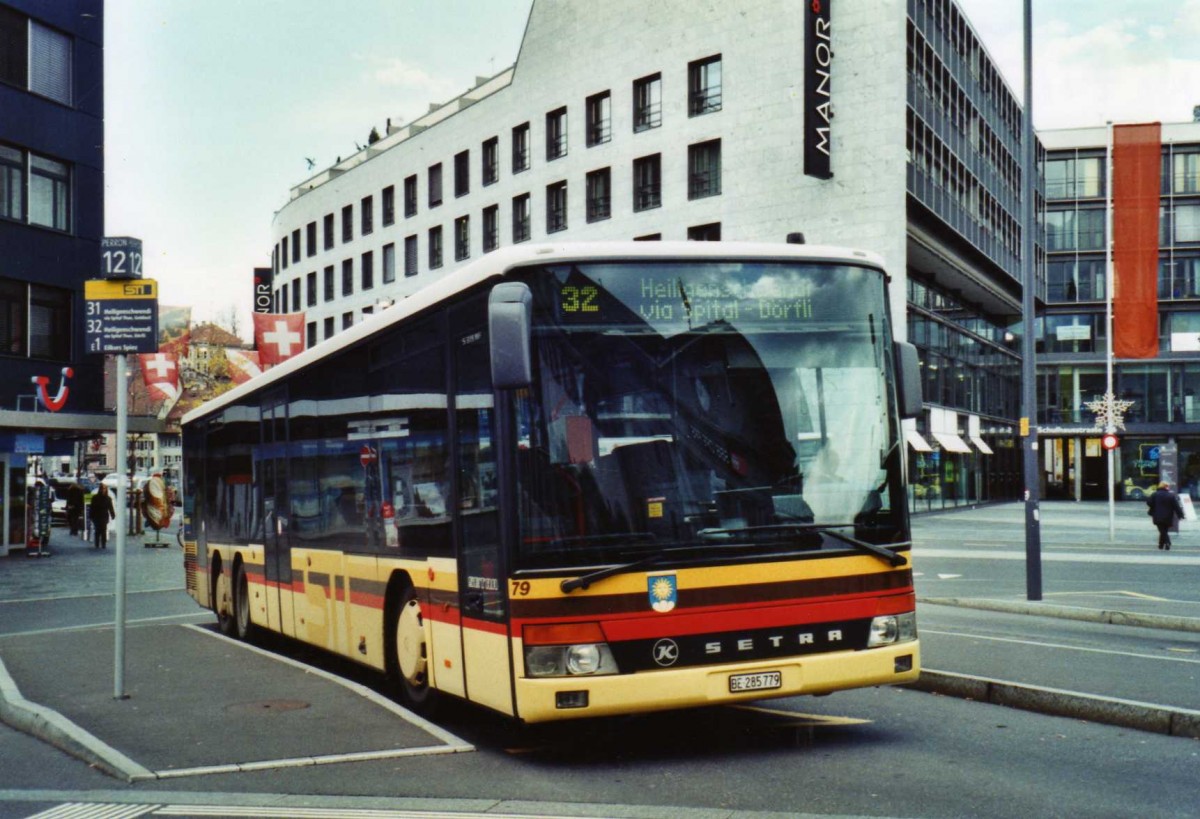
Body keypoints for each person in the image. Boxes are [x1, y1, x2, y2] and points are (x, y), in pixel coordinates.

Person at [1146, 481, 1185, 551]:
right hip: (1168, 516)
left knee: (1162, 531)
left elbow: (1149, 503)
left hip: (1157, 516)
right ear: (1165, 487)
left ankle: (1167, 542)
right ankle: (1161, 545)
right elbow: (1176, 507)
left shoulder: (1155, 494)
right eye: (1168, 486)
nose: (1169, 487)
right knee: (1164, 531)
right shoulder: (1171, 496)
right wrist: (1180, 515)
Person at [89, 483, 116, 550]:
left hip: (104, 516)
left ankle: (103, 544)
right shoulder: (95, 497)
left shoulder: (108, 498)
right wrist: (91, 515)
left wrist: (113, 514)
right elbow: (92, 507)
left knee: (103, 530)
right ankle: (97, 544)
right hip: (96, 516)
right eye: (102, 488)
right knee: (97, 530)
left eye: (104, 489)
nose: (103, 490)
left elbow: (110, 507)